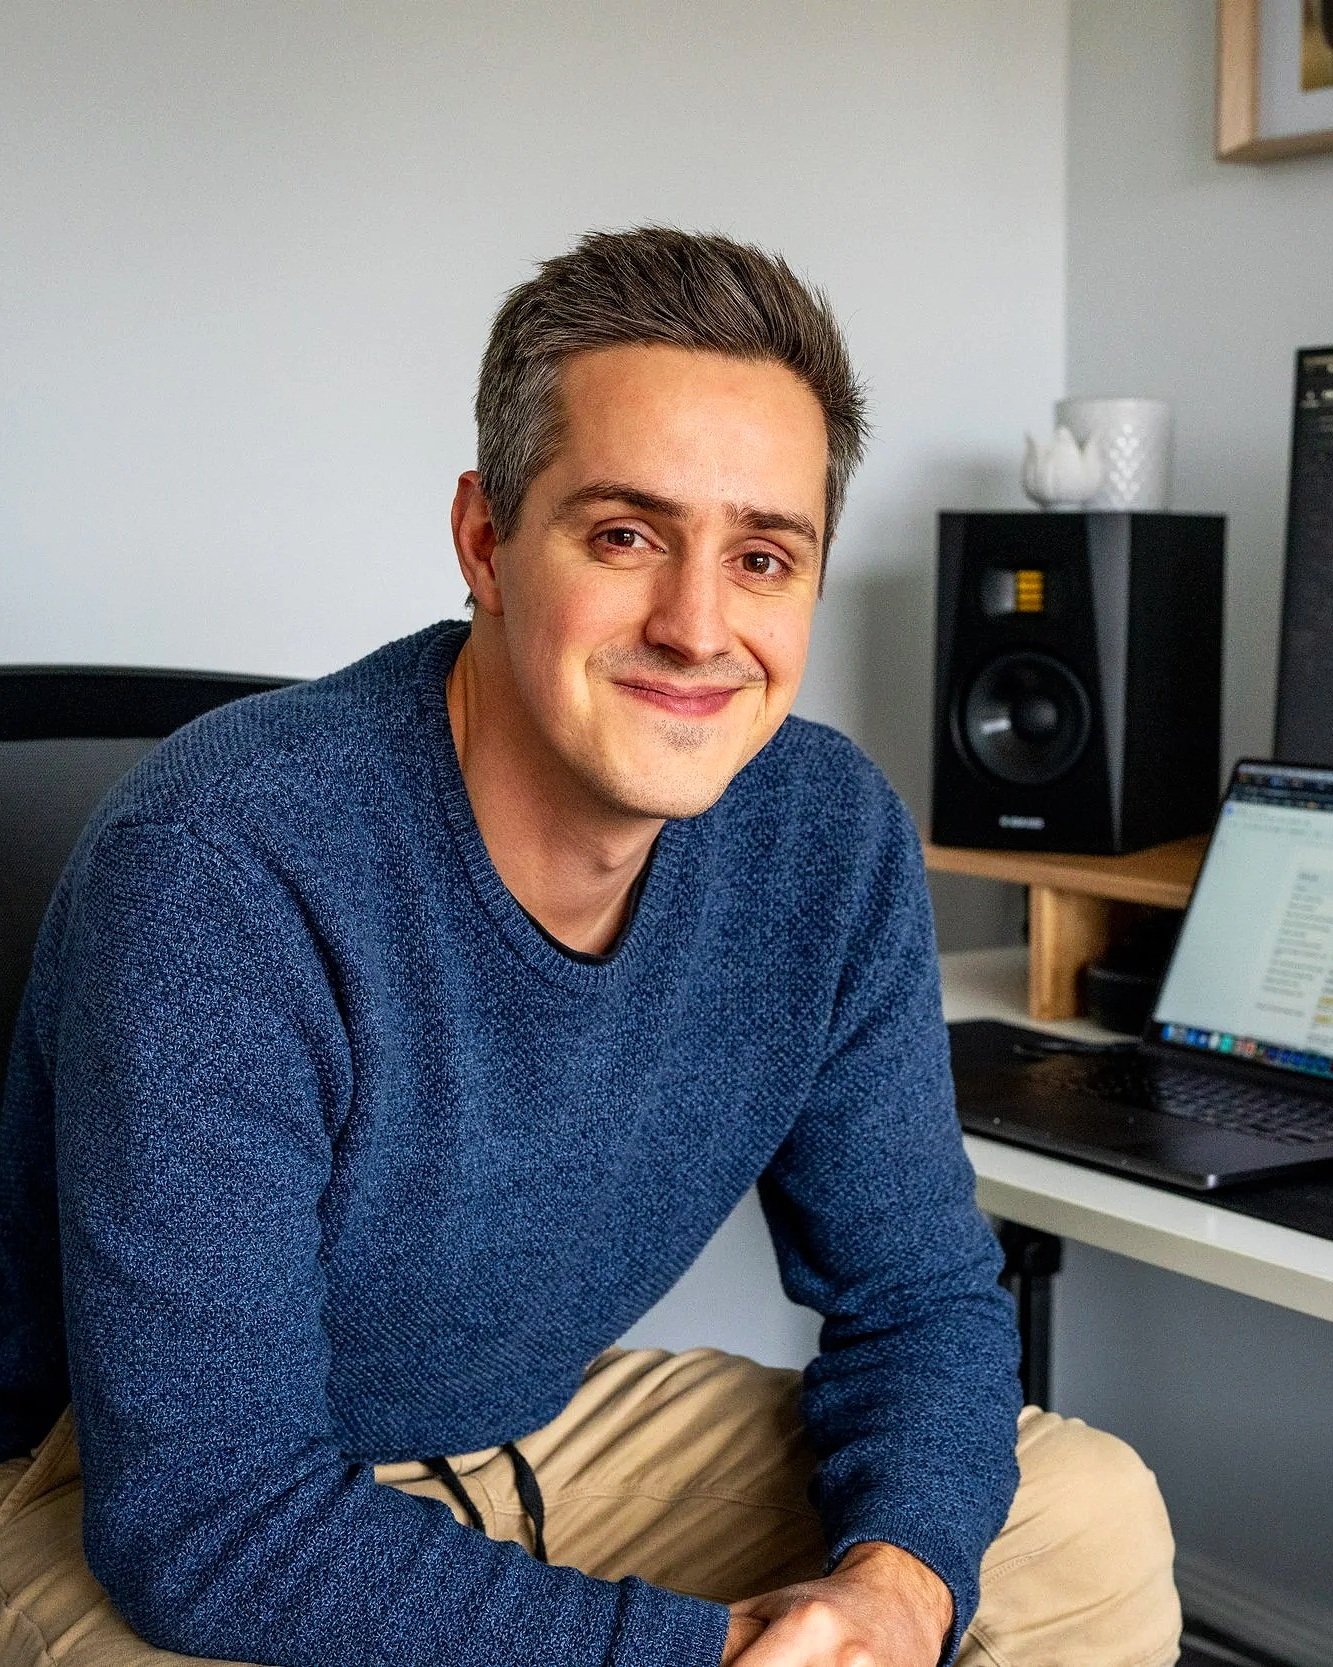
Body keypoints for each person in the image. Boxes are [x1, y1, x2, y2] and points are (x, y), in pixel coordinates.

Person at [0, 227, 1180, 1667]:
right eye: (625, 536)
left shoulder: (822, 838)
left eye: (761, 556)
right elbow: (205, 1525)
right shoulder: (223, 858)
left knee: (1077, 1514)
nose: (697, 626)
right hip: (127, 1501)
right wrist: (693, 1652)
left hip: (528, 1434)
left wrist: (894, 1590)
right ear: (486, 541)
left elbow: (918, 1299)